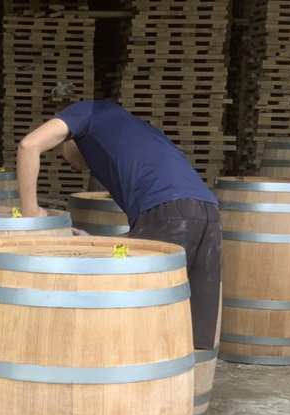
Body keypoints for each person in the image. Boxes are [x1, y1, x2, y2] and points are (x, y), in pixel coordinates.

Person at [16, 97, 221, 351]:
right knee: (194, 334)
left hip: (170, 212)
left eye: (62, 151)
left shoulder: (89, 111)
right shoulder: (138, 133)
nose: (70, 163)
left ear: (68, 135)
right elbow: (158, 225)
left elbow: (28, 146)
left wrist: (31, 211)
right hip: (208, 211)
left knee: (138, 328)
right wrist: (99, 243)